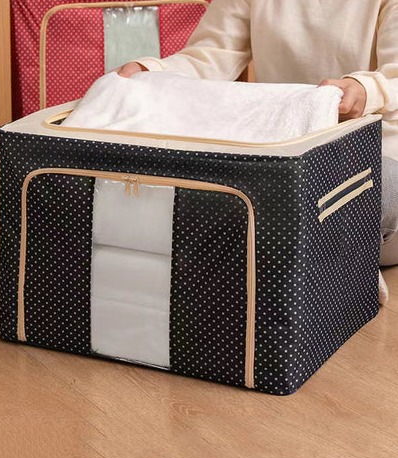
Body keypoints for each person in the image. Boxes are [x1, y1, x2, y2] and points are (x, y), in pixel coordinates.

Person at [117, 0, 398, 303]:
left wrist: (367, 89)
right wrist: (152, 71)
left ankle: (266, 261)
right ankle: (272, 266)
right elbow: (211, 55)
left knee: (374, 189)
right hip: (282, 160)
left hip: (375, 154)